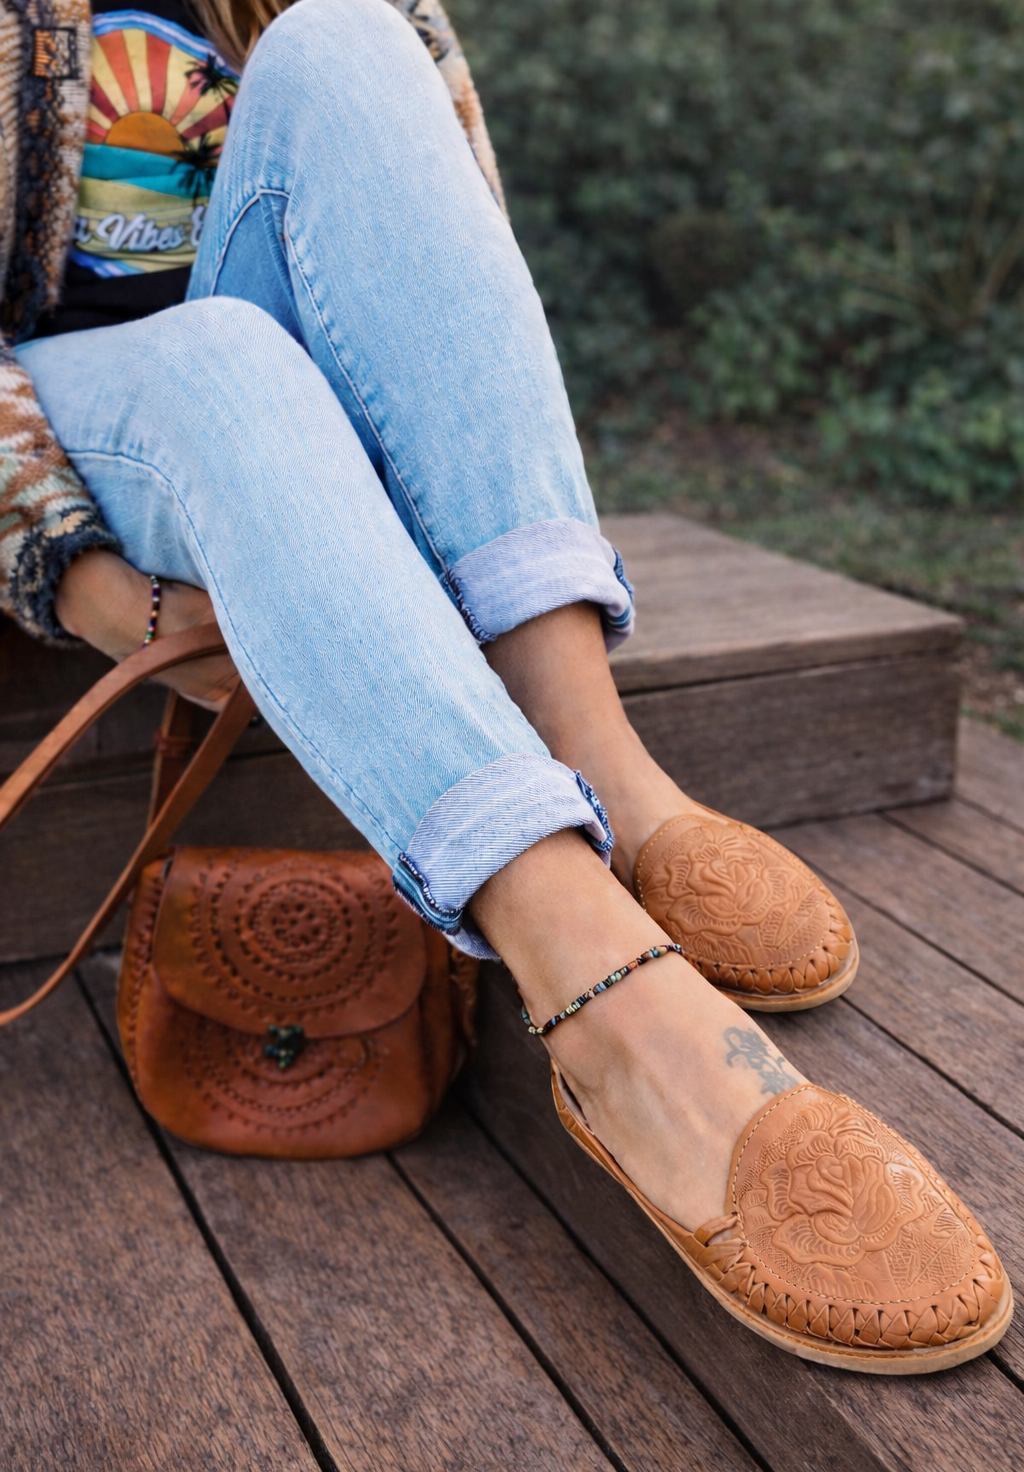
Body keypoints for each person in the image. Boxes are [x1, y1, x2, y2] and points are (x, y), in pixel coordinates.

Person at [1, 0, 1011, 1371]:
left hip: (304, 402)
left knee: (348, 38)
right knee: (221, 357)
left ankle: (610, 770)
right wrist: (87, 581)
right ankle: (602, 995)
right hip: (93, 423)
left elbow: (453, 270)